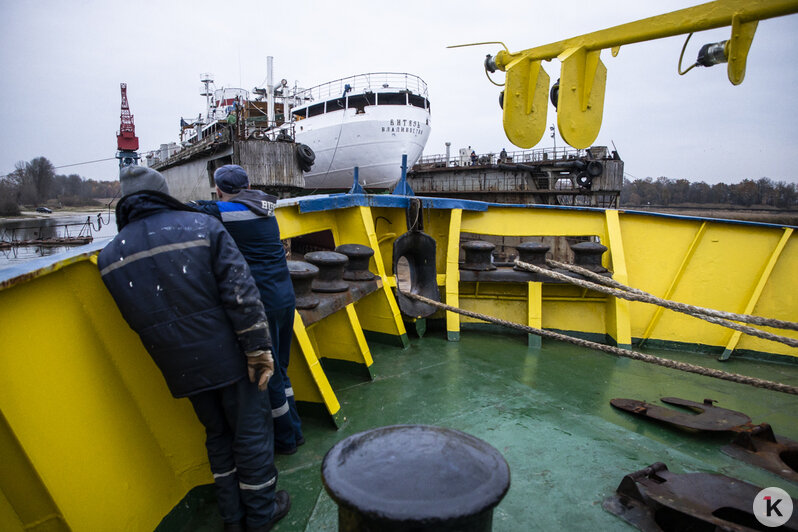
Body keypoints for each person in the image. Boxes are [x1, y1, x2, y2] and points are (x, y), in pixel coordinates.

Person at [97, 165, 290, 532]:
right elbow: (241, 295)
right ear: (161, 193)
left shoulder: (109, 258)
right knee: (251, 432)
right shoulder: (203, 228)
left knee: (217, 435)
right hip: (231, 356)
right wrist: (257, 349)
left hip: (179, 367)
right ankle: (261, 513)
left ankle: (232, 518)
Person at [191, 165, 304, 455]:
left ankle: (286, 440)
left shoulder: (227, 213)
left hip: (262, 302)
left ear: (218, 190)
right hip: (285, 296)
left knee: (270, 373)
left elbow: (194, 210)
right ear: (249, 185)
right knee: (281, 367)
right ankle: (296, 430)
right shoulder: (266, 207)